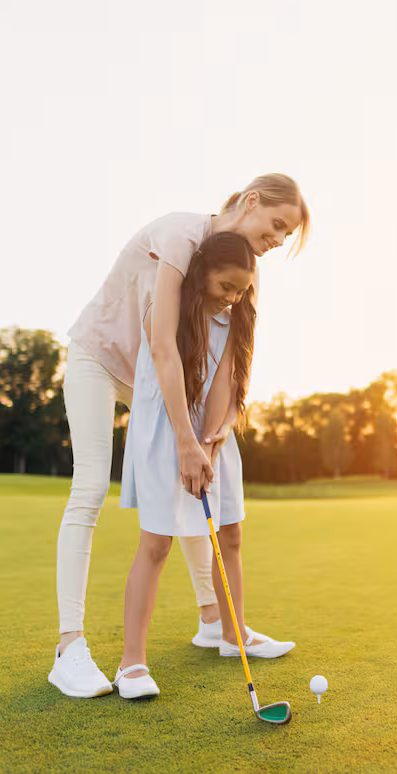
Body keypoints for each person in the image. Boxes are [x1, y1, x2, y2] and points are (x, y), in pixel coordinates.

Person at [48, 175, 310, 698]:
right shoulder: (179, 237)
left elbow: (230, 365)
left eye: (287, 235)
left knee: (195, 491)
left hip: (157, 377)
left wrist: (208, 437)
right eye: (277, 224)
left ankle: (216, 621)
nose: (279, 239)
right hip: (103, 361)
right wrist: (187, 442)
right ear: (251, 200)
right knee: (91, 486)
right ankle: (69, 647)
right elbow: (164, 347)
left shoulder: (240, 271)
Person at [114, 231, 293, 698]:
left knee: (229, 533)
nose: (232, 298)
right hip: (166, 432)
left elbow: (227, 387)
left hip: (209, 435)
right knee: (156, 544)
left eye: (240, 291)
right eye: (225, 287)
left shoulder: (234, 320)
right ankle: (131, 663)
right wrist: (186, 443)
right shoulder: (168, 311)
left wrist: (212, 442)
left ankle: (231, 635)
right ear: (201, 274)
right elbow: (163, 365)